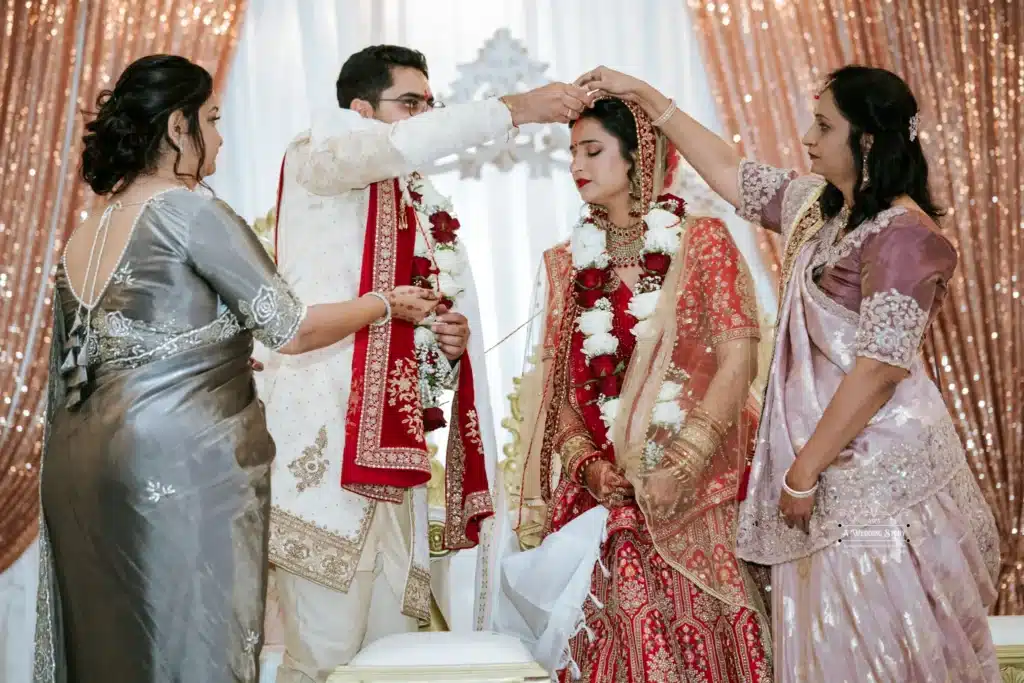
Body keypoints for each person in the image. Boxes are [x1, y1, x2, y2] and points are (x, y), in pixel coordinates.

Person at [575, 64, 1002, 680]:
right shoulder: (818, 212)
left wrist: (804, 470)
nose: (807, 136)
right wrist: (645, 93)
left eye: (825, 125)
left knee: (873, 647)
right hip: (816, 468)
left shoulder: (905, 237)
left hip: (874, 478)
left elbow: (880, 369)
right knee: (820, 640)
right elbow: (725, 169)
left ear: (869, 141)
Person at [32, 54, 439, 683]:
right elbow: (292, 327)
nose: (220, 138)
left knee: (114, 646)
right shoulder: (188, 211)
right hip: (178, 464)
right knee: (190, 643)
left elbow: (99, 358)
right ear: (176, 127)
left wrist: (216, 354)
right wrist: (384, 303)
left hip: (82, 465)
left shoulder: (85, 233)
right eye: (212, 120)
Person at [260, 44, 595, 682]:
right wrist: (516, 109)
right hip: (325, 455)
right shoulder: (322, 152)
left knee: (393, 658)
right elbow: (387, 155)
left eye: (428, 105)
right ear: (360, 109)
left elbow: (419, 350)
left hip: (396, 459)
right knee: (323, 659)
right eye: (408, 103)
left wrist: (444, 344)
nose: (423, 115)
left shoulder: (415, 202)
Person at [506, 96, 773, 682]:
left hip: (701, 488)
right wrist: (590, 469)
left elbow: (737, 361)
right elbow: (561, 396)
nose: (577, 164)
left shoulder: (704, 244)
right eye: (572, 151)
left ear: (640, 157)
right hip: (606, 499)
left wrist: (681, 464)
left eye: (592, 149)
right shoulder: (563, 265)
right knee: (620, 565)